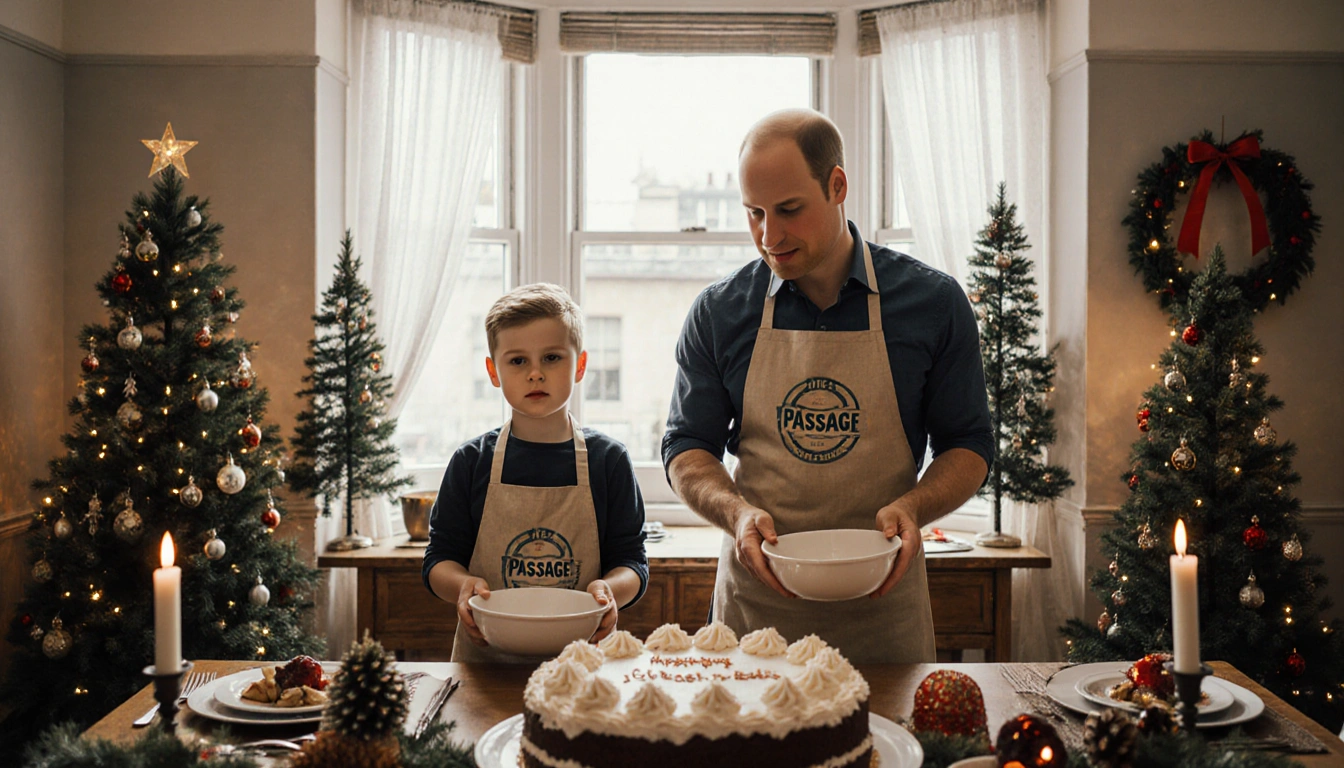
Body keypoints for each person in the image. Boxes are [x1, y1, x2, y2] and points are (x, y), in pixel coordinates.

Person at [662, 109, 993, 664]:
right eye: (754, 214)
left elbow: (969, 446)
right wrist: (735, 513)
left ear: (837, 185)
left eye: (790, 210)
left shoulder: (933, 304)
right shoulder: (720, 313)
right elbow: (686, 447)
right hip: (756, 624)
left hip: (884, 619)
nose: (770, 236)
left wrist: (914, 508)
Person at [423, 283, 648, 662]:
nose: (535, 374)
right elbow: (438, 560)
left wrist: (610, 590)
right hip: (486, 666)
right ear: (493, 372)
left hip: (584, 665)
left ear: (580, 366)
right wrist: (462, 586)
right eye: (517, 361)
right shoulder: (471, 461)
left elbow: (632, 561)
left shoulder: (608, 461)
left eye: (552, 358)